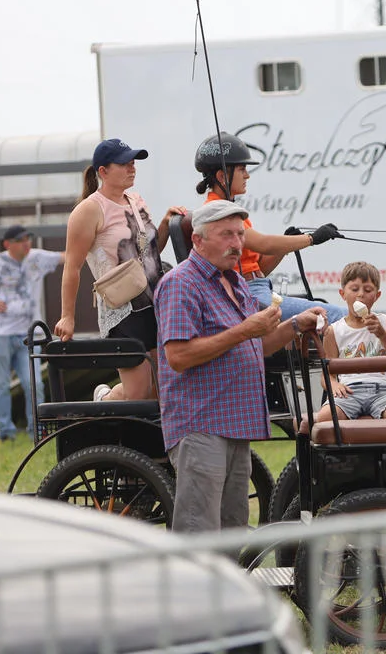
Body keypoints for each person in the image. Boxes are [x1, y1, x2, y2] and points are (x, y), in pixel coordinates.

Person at [155, 199, 325, 533]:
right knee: (199, 531)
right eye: (226, 235)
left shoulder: (233, 281)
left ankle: (226, 587)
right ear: (198, 240)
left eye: (239, 235)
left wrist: (294, 326)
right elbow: (178, 357)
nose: (237, 244)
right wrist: (245, 329)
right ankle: (192, 588)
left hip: (235, 422)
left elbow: (254, 346)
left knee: (232, 529)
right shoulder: (181, 283)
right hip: (201, 424)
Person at [54, 139, 186, 401]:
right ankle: (103, 401)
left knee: (162, 390)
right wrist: (67, 316)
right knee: (138, 393)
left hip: (154, 301)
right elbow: (72, 267)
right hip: (122, 310)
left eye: (133, 162)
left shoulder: (136, 200)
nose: (132, 168)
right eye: (124, 164)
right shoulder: (89, 209)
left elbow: (149, 253)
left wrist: (164, 224)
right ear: (102, 171)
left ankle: (145, 440)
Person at [193, 132, 345, 325]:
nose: (247, 175)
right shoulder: (218, 211)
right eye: (242, 169)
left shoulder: (229, 209)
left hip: (259, 287)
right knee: (337, 316)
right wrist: (312, 239)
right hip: (249, 293)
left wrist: (288, 245)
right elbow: (264, 244)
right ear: (222, 176)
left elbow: (260, 268)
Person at [0, 225, 64, 441]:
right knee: (0, 384)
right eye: (21, 240)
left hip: (29, 336)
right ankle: (6, 432)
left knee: (34, 383)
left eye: (28, 238)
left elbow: (67, 257)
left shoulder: (37, 258)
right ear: (7, 244)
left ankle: (36, 431)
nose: (26, 243)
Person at [321, 261, 386, 420]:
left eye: (368, 290)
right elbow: (326, 374)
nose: (361, 294)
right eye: (354, 289)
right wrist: (333, 385)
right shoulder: (333, 331)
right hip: (349, 390)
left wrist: (383, 335)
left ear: (377, 296)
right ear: (343, 294)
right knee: (326, 417)